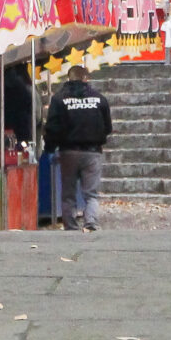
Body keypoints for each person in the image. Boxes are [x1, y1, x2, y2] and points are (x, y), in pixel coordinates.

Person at [43, 64, 111, 231]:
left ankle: (70, 226)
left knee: (68, 193)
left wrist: (50, 149)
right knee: (91, 194)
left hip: (68, 152)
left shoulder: (59, 99)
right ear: (85, 78)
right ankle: (91, 223)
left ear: (69, 78)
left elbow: (52, 127)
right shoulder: (99, 99)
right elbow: (107, 127)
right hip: (92, 152)